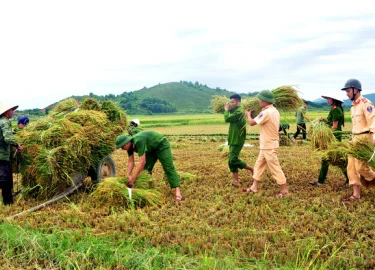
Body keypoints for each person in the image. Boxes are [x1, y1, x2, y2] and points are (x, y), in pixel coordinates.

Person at [242, 90, 289, 196]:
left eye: (260, 99)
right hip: (267, 145)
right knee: (258, 165)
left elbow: (251, 122)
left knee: (275, 168)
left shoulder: (266, 112)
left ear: (265, 101)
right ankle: (254, 187)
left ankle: (284, 190)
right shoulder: (274, 110)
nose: (258, 101)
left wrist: (248, 115)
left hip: (269, 145)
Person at [116, 131, 184, 202]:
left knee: (168, 168)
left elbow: (142, 162)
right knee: (146, 171)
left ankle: (178, 194)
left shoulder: (138, 141)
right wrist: (128, 175)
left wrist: (133, 178)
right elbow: (131, 162)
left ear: (127, 142)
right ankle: (148, 190)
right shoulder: (129, 147)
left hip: (161, 145)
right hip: (150, 150)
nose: (122, 148)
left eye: (122, 146)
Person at [341, 78, 375, 201]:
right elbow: (356, 124)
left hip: (365, 138)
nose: (347, 93)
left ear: (356, 90)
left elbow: (373, 121)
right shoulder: (353, 107)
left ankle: (373, 178)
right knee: (351, 167)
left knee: (361, 167)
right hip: (355, 138)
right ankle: (356, 194)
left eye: (348, 90)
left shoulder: (366, 103)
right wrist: (352, 137)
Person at [309, 95, 349, 186]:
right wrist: (324, 120)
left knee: (329, 158)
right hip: (334, 137)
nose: (327, 100)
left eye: (329, 99)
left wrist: (323, 133)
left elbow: (334, 127)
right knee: (337, 159)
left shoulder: (336, 109)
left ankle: (321, 181)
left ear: (334, 100)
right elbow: (331, 122)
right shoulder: (335, 109)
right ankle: (349, 178)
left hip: (333, 138)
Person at [224, 94, 254, 187]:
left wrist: (226, 110)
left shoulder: (240, 112)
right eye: (230, 102)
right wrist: (228, 109)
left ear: (238, 102)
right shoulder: (235, 111)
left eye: (233, 102)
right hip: (232, 138)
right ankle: (236, 180)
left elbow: (227, 118)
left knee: (233, 159)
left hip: (237, 139)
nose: (231, 104)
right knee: (231, 160)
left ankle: (252, 169)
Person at [0, 103, 23, 205]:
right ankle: (7, 202)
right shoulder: (4, 122)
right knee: (5, 179)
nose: (12, 112)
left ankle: (7, 200)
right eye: (11, 110)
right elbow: (8, 138)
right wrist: (17, 144)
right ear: (6, 111)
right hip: (2, 156)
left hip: (2, 155)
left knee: (5, 177)